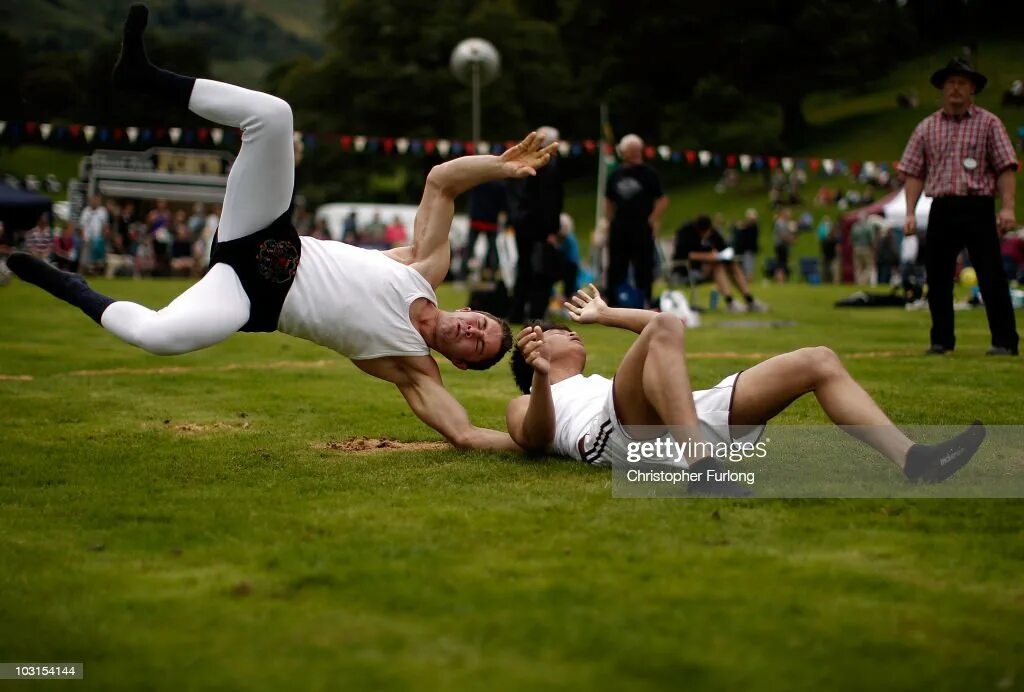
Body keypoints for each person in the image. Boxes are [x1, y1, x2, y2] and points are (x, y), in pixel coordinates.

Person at [7, 4, 557, 450]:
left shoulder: (412, 369)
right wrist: (500, 167)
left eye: (478, 348)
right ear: (471, 311)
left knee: (160, 336)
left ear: (460, 363)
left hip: (249, 296)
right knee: (273, 116)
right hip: (267, 232)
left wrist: (540, 444)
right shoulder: (422, 267)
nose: (473, 333)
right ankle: (143, 75)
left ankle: (66, 285)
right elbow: (440, 181)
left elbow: (462, 432)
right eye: (481, 325)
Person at [504, 285, 986, 497]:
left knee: (817, 359)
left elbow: (666, 327)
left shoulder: (602, 381)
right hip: (615, 436)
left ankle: (914, 460)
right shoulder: (529, 397)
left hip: (679, 418)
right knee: (666, 328)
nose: (566, 331)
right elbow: (534, 436)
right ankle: (702, 468)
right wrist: (543, 376)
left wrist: (606, 315)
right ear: (532, 350)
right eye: (552, 329)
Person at [898, 57, 1020, 356]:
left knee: (991, 273)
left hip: (978, 206)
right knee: (937, 276)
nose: (955, 88)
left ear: (972, 89)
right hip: (941, 206)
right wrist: (911, 212)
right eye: (950, 83)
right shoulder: (926, 127)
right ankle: (941, 341)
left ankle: (1004, 341)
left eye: (962, 83)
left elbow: (1006, 167)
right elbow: (914, 171)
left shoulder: (989, 123)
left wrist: (1007, 208)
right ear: (942, 88)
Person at [506, 126, 563, 322]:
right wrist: (552, 230)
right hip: (539, 227)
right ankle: (536, 314)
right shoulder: (550, 165)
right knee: (541, 272)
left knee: (524, 269)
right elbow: (549, 201)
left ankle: (517, 311)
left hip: (523, 223)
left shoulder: (526, 161)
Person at [605, 134, 668, 308]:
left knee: (644, 266)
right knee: (616, 265)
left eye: (637, 150)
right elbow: (608, 199)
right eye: (631, 151)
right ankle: (614, 301)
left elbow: (662, 199)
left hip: (641, 226)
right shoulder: (616, 174)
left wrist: (653, 219)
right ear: (623, 153)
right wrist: (610, 221)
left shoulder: (649, 174)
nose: (635, 154)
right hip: (620, 227)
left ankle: (644, 300)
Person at [672, 215, 767, 312]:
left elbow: (724, 248)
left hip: (707, 267)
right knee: (718, 267)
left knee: (733, 265)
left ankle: (750, 300)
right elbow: (685, 255)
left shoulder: (712, 232)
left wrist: (725, 255)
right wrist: (708, 256)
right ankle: (730, 302)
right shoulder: (686, 231)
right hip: (687, 270)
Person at [460, 179, 506, 280]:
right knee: (493, 248)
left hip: (477, 218)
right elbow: (503, 204)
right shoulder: (500, 184)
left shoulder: (478, 180)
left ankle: (462, 273)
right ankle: (493, 272)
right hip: (491, 220)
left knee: (470, 248)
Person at [731, 208, 760, 281]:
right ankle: (747, 280)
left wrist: (738, 225)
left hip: (749, 249)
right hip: (747, 250)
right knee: (747, 266)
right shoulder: (751, 226)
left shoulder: (753, 226)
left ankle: (748, 280)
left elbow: (743, 228)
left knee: (749, 266)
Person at [772, 207, 793, 282]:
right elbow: (783, 235)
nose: (789, 215)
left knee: (783, 262)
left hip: (783, 245)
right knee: (781, 262)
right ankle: (780, 279)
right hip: (780, 245)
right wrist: (791, 240)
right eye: (788, 214)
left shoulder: (784, 222)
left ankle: (781, 278)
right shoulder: (780, 223)